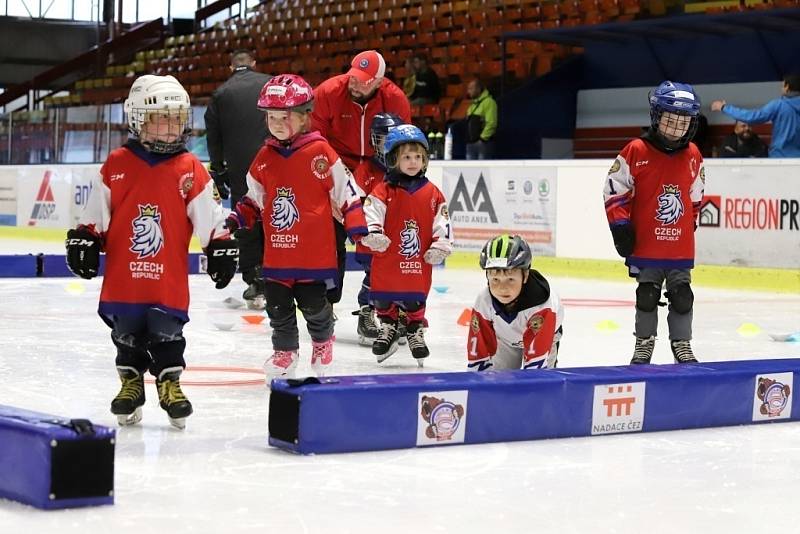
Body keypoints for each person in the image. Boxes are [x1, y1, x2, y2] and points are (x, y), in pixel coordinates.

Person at [65, 75, 237, 429]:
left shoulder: (190, 168)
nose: (172, 127)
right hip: (124, 276)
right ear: (138, 119)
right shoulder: (117, 163)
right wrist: (85, 237)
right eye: (163, 118)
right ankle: (130, 383)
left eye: (177, 119)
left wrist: (218, 245)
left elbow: (210, 217)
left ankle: (169, 382)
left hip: (167, 277)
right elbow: (97, 211)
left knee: (167, 332)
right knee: (126, 332)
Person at [228, 74, 368, 380]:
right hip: (277, 256)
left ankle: (322, 338)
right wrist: (237, 219)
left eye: (285, 116)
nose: (277, 123)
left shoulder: (321, 152)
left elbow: (347, 192)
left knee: (314, 305)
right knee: (277, 308)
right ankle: (285, 351)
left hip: (313, 255)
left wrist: (357, 227)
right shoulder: (265, 157)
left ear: (306, 117)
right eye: (271, 117)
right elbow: (253, 198)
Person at [603, 80, 705, 365]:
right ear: (656, 116)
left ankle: (682, 344)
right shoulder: (636, 150)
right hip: (648, 241)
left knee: (682, 295)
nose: (675, 128)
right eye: (670, 120)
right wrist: (620, 225)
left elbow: (696, 196)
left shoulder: (694, 154)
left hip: (679, 246)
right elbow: (615, 188)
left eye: (682, 122)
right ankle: (643, 343)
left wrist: (689, 225)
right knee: (646, 294)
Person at [310, 50, 412, 308]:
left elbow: (404, 146)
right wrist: (332, 182)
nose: (354, 83)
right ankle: (325, 302)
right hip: (335, 162)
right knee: (328, 239)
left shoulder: (395, 98)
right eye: (353, 76)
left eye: (363, 80)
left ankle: (373, 305)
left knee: (378, 237)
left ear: (379, 80)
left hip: (380, 167)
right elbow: (313, 143)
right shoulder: (328, 92)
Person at [361, 124, 453, 365]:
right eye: (406, 157)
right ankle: (388, 326)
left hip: (417, 259)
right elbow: (372, 212)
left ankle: (414, 329)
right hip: (387, 257)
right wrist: (374, 233)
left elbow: (442, 221)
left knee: (414, 298)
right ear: (393, 159)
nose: (413, 162)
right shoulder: (383, 190)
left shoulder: (433, 193)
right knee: (382, 297)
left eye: (418, 157)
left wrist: (440, 245)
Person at [204, 49, 272, 309]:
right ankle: (278, 275)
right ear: (253, 64)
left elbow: (214, 136)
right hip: (274, 164)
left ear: (231, 67)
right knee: (275, 218)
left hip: (239, 169)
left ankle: (254, 280)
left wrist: (218, 169)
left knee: (246, 223)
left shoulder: (221, 93)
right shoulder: (270, 83)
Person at [466, 235, 563, 371]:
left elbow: (535, 371)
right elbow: (478, 360)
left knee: (541, 386)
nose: (502, 288)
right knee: (499, 383)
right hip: (505, 339)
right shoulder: (484, 301)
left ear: (525, 276)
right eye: (495, 279)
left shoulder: (543, 306)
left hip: (546, 336)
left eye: (510, 279)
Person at [351, 112, 403, 345]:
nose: (386, 142)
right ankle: (366, 312)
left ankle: (393, 320)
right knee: (375, 275)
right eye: (382, 137)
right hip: (372, 238)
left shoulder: (405, 169)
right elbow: (355, 203)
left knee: (397, 278)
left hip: (397, 239)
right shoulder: (366, 170)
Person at [710, 74, 800, 157]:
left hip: (780, 157)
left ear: (787, 87)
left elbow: (752, 117)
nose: (781, 88)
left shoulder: (779, 105)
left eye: (782, 85)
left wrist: (724, 108)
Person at [464, 78, 498, 160]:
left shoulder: (489, 102)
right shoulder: (472, 105)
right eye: (468, 89)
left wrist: (482, 139)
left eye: (471, 88)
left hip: (483, 145)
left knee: (483, 171)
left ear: (478, 89)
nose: (469, 91)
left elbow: (491, 123)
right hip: (471, 144)